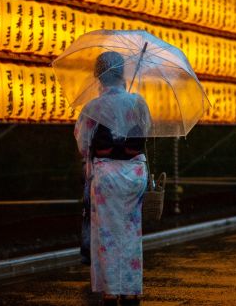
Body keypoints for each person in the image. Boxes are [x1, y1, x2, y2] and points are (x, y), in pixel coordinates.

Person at [74, 51, 151, 305]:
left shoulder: (93, 107)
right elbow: (146, 131)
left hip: (107, 175)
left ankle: (111, 291)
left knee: (107, 233)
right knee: (131, 229)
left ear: (99, 76)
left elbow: (84, 144)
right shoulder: (137, 101)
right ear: (123, 74)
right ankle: (131, 289)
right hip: (134, 174)